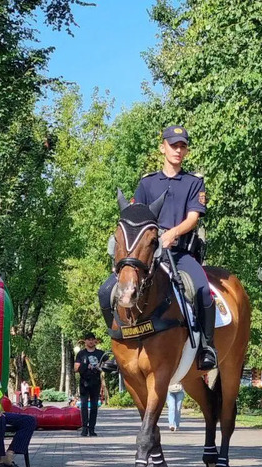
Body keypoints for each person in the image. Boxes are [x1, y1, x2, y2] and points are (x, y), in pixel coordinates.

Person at [98, 125, 217, 370]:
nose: (178, 150)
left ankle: (207, 347)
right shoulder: (147, 183)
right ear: (163, 147)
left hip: (180, 252)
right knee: (106, 290)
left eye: (182, 146)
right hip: (148, 255)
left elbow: (194, 217)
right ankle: (116, 342)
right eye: (173, 145)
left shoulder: (194, 182)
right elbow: (135, 217)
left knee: (203, 290)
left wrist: (172, 233)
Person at [74, 332, 104, 437]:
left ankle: (92, 429)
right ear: (85, 341)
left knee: (94, 406)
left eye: (92, 339)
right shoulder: (81, 354)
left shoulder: (101, 353)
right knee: (84, 406)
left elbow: (108, 365)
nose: (91, 341)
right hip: (84, 382)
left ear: (95, 341)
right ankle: (84, 428)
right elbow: (76, 369)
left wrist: (99, 367)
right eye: (88, 339)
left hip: (95, 381)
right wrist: (85, 365)